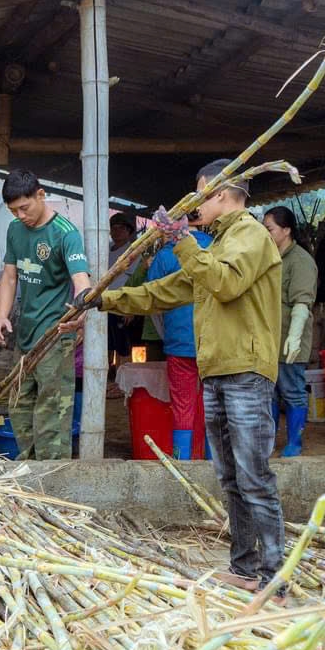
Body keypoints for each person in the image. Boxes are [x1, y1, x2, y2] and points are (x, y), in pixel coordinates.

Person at [76, 159, 285, 594]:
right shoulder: (216, 243)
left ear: (223, 194)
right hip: (217, 371)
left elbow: (225, 284)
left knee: (254, 476)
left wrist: (183, 240)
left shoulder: (250, 236)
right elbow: (166, 291)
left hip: (245, 372)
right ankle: (246, 568)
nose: (195, 206)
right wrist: (102, 299)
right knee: (230, 476)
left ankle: (275, 580)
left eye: (200, 196)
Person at [0, 170, 91, 459]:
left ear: (40, 195)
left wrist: (81, 310)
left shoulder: (65, 234)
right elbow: (10, 276)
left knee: (52, 409)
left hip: (54, 335)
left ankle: (52, 474)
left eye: (24, 208)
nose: (20, 215)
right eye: (13, 210)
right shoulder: (14, 230)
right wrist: (2, 316)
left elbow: (81, 280)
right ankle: (30, 465)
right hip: (24, 334)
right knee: (19, 404)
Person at [147, 213, 213, 458]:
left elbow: (152, 303)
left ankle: (182, 463)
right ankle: (213, 464)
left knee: (183, 407)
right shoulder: (217, 247)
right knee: (214, 407)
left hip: (179, 341)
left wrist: (168, 336)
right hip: (215, 344)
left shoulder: (166, 255)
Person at [263, 206, 318, 458]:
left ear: (286, 230)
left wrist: (294, 337)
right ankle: (271, 440)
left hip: (289, 339)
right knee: (270, 391)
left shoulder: (301, 261)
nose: (265, 233)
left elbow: (302, 303)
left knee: (292, 390)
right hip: (269, 338)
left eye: (269, 228)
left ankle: (295, 442)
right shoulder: (269, 257)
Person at [106, 213, 142, 397]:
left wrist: (131, 308)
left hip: (123, 304)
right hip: (104, 303)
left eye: (121, 227)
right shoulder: (106, 250)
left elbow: (136, 283)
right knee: (107, 345)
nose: (116, 231)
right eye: (114, 227)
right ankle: (107, 381)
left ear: (129, 231)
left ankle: (122, 385)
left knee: (123, 347)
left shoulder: (134, 253)